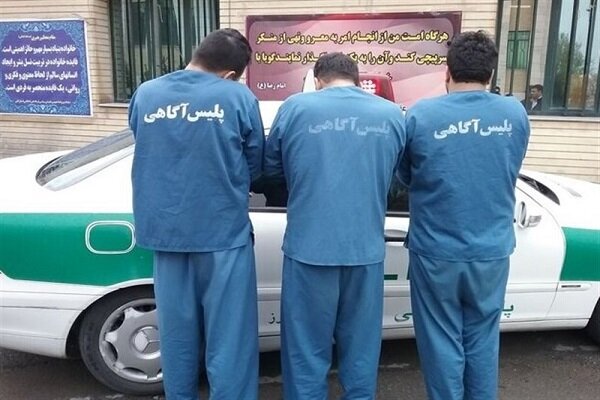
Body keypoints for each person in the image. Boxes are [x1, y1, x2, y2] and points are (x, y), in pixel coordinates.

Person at [128, 28, 264, 400]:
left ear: (197, 54)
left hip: (165, 234)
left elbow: (146, 144)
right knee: (230, 338)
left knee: (176, 336)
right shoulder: (237, 97)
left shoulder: (146, 93)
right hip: (222, 234)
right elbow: (255, 164)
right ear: (230, 74)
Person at [263, 52, 406, 399]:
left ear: (318, 80)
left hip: (309, 248)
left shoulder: (295, 108)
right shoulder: (391, 114)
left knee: (306, 348)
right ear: (356, 79)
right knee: (361, 347)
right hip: (365, 250)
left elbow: (271, 171)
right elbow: (397, 179)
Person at [398, 31, 530, 400]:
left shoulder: (420, 115)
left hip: (435, 252)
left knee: (440, 339)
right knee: (483, 338)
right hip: (491, 251)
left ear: (447, 71)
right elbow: (510, 164)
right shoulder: (514, 114)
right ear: (491, 73)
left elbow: (406, 175)